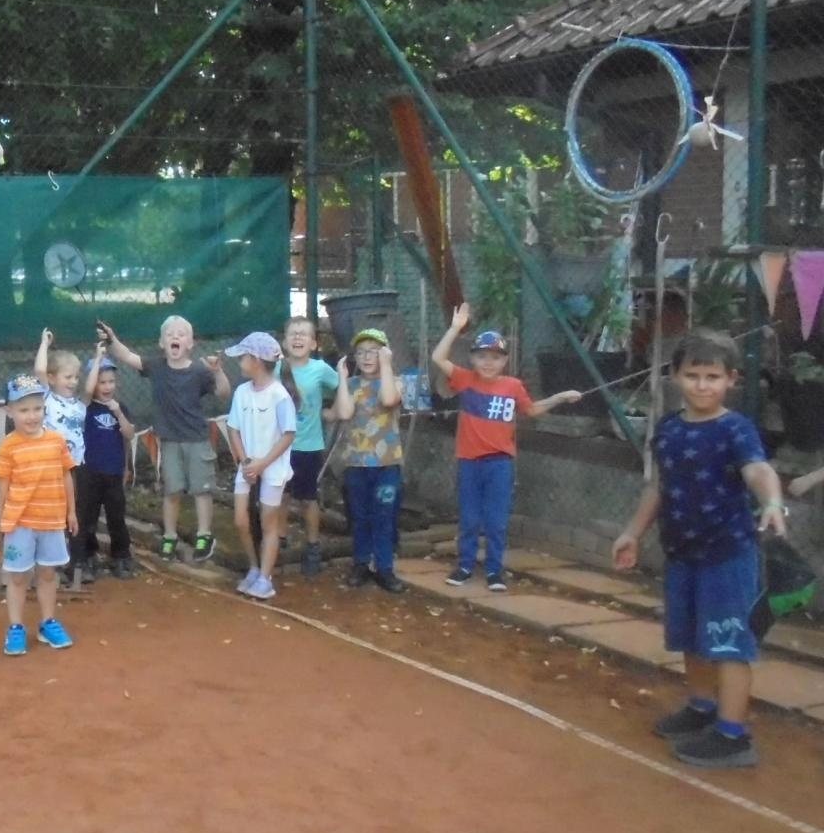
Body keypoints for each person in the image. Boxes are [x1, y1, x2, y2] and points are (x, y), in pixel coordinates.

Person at [612, 330, 787, 769]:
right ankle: (701, 706)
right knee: (691, 637)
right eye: (693, 375)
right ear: (676, 377)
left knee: (730, 642)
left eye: (713, 376)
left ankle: (733, 735)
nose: (703, 385)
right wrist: (632, 531)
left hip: (727, 554)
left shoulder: (736, 428)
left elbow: (759, 470)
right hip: (682, 554)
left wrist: (772, 502)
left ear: (731, 379)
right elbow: (660, 486)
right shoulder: (669, 430)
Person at [430, 303, 582, 590]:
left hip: (499, 463)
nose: (488, 362)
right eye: (482, 356)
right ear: (473, 359)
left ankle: (494, 571)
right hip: (469, 461)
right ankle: (464, 566)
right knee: (469, 518)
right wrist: (455, 328)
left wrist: (560, 397)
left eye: (495, 357)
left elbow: (532, 410)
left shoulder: (512, 386)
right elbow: (438, 357)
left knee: (496, 520)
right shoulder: (465, 379)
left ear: (505, 360)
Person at [98, 315, 229, 561]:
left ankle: (204, 534)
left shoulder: (201, 370)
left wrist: (219, 372)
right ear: (161, 342)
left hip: (197, 439)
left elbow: (223, 393)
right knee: (172, 490)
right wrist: (111, 338)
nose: (175, 337)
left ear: (190, 343)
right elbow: (126, 356)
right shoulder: (156, 366)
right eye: (170, 334)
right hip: (168, 440)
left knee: (202, 490)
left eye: (181, 334)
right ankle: (169, 536)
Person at [0, 375, 77, 655]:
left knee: (48, 574)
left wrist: (71, 512)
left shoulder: (56, 441)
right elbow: (2, 489)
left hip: (51, 520)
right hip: (19, 523)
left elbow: (66, 477)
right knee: (17, 577)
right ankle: (16, 627)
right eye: (24, 409)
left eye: (37, 408)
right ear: (9, 411)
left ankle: (47, 622)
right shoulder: (7, 446)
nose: (31, 416)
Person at [332, 328, 405, 594]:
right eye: (361, 352)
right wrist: (342, 378)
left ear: (385, 353)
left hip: (387, 465)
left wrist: (386, 364)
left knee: (383, 516)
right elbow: (344, 412)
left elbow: (388, 399)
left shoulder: (395, 382)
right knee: (360, 516)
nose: (366, 357)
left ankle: (385, 568)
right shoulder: (352, 386)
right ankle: (361, 563)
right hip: (357, 465)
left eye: (373, 351)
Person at [225, 332, 296, 601]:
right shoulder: (241, 392)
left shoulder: (279, 395)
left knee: (269, 524)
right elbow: (233, 429)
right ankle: (254, 568)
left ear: (255, 360)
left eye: (243, 357)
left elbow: (288, 434)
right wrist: (245, 462)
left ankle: (266, 578)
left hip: (273, 468)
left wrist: (263, 464)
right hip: (247, 466)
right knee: (240, 520)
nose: (240, 361)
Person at [282, 317, 339, 576]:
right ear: (284, 341)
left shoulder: (320, 369)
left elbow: (344, 387)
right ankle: (279, 538)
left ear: (313, 343)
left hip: (309, 446)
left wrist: (333, 411)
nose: (297, 338)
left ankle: (313, 545)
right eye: (293, 333)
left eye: (304, 334)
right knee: (279, 495)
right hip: (279, 446)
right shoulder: (275, 369)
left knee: (307, 498)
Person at [76, 342, 136, 579]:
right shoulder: (85, 408)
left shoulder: (120, 407)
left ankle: (121, 556)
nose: (107, 386)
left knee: (116, 516)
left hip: (113, 472)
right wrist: (98, 357)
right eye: (102, 382)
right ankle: (88, 555)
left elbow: (129, 435)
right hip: (89, 472)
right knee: (87, 517)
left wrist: (118, 412)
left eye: (111, 381)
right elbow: (87, 392)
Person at [34, 328, 88, 578]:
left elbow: (88, 390)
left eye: (76, 377)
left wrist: (97, 360)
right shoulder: (47, 397)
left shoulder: (78, 404)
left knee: (71, 511)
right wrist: (44, 344)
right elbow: (39, 370)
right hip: (49, 467)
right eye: (68, 377)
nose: (73, 382)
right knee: (50, 511)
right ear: (52, 378)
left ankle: (69, 559)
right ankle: (46, 561)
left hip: (73, 467)